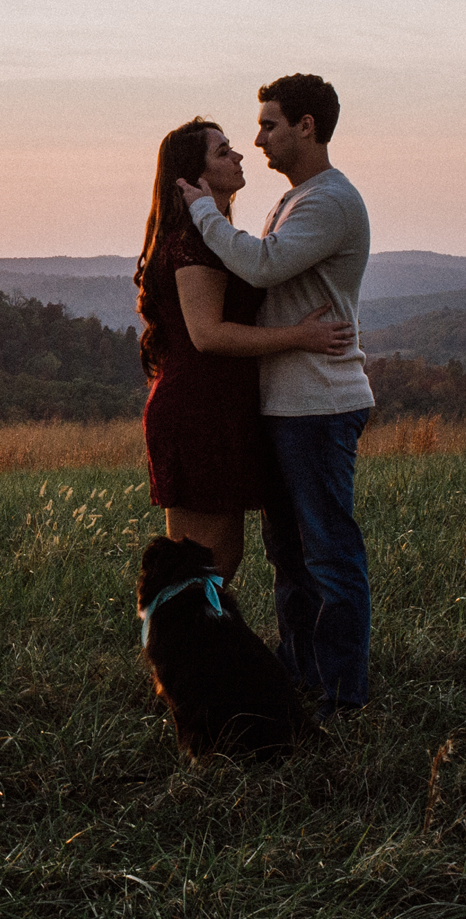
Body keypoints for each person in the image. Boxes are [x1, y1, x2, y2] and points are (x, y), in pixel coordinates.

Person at [175, 75, 375, 720]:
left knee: (327, 553)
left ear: (307, 126)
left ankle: (342, 695)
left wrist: (202, 210)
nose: (258, 139)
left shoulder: (328, 202)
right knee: (289, 556)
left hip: (318, 404)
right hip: (288, 404)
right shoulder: (293, 202)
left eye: (268, 125)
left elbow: (259, 268)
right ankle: (301, 676)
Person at [137, 116, 355, 582]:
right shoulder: (195, 243)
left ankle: (187, 653)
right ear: (193, 177)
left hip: (216, 409)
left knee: (207, 566)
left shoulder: (214, 237)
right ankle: (187, 653)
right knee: (206, 568)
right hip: (201, 412)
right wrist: (299, 336)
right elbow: (208, 334)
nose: (238, 155)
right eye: (223, 151)